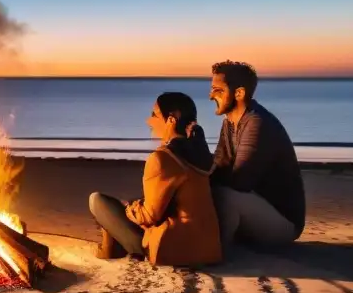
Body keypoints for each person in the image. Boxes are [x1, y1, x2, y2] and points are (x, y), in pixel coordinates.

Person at [88, 92, 222, 267]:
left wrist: (130, 208)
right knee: (134, 204)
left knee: (97, 201)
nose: (149, 121)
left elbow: (150, 216)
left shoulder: (162, 158)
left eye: (154, 115)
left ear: (172, 120)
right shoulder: (201, 155)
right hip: (208, 249)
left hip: (172, 249)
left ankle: (111, 248)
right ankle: (114, 245)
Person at [208, 60, 306, 250]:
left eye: (218, 90)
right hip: (254, 210)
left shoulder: (257, 123)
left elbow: (241, 182)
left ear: (239, 93)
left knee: (225, 196)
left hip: (283, 223)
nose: (211, 95)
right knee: (207, 192)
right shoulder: (229, 122)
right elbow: (219, 166)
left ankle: (215, 250)